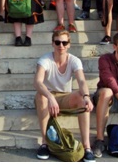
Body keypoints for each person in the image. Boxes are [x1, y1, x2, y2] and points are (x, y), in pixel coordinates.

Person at [34, 30, 94, 162]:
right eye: (57, 42)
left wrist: (86, 97)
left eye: (64, 42)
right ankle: (44, 143)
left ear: (68, 45)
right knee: (41, 96)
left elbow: (82, 81)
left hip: (65, 96)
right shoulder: (45, 59)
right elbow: (38, 82)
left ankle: (87, 147)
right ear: (52, 43)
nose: (61, 45)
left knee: (82, 98)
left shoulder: (74, 60)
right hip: (48, 95)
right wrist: (50, 97)